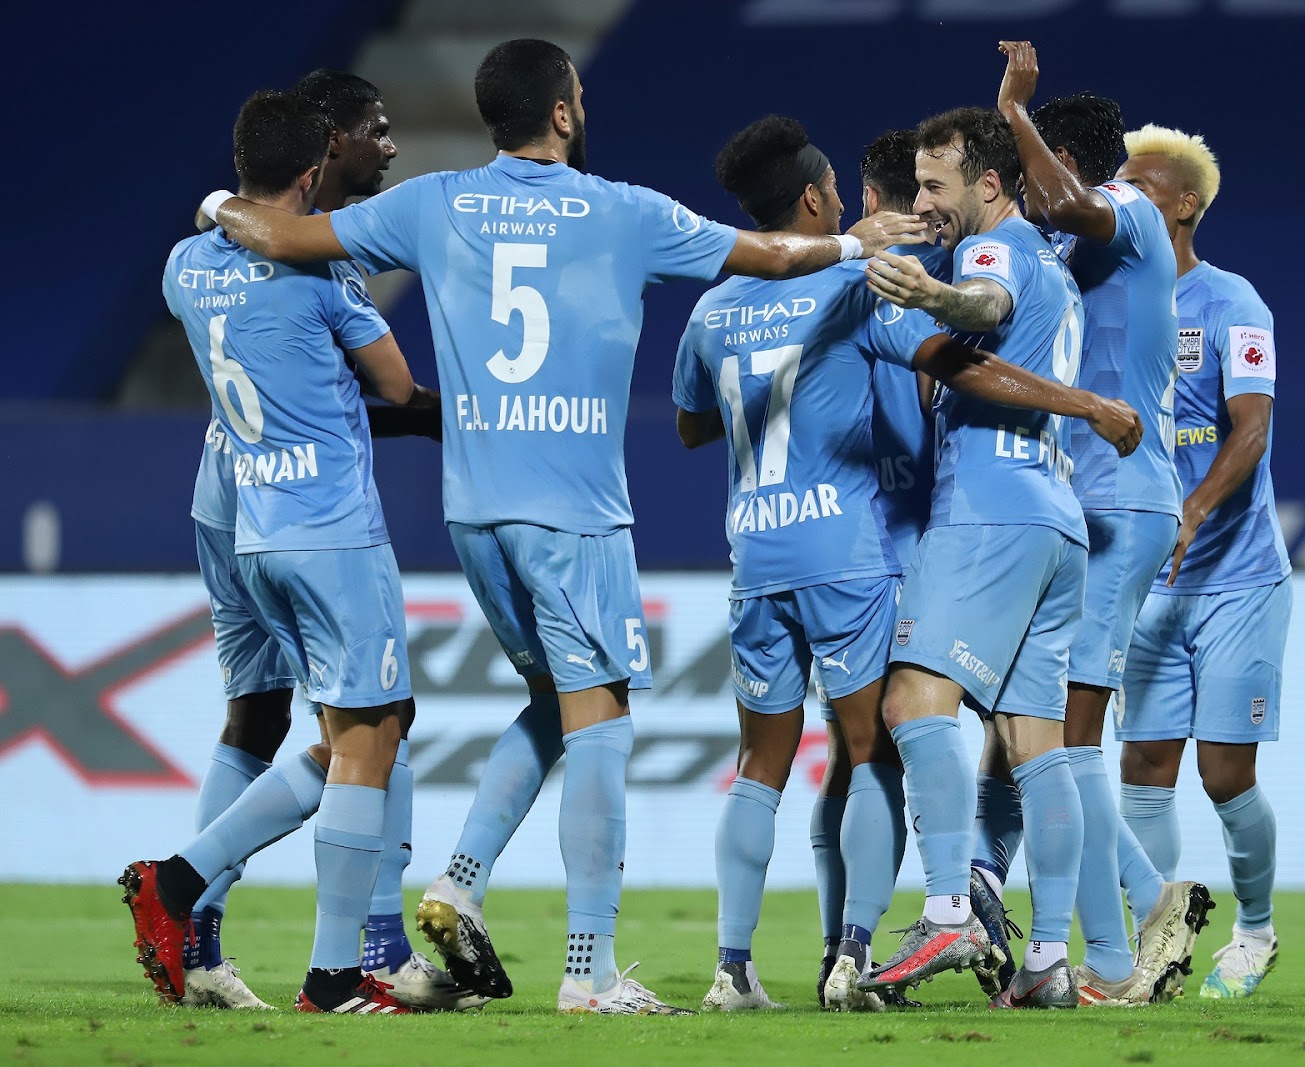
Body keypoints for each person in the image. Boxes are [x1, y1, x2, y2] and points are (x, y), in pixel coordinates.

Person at [197, 38, 926, 1015]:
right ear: (565, 113)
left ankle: (460, 876)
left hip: (474, 511)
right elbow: (767, 254)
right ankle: (588, 967)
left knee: (551, 697)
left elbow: (284, 239)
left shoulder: (433, 202)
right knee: (604, 721)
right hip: (574, 510)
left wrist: (211, 206)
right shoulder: (619, 209)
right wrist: (854, 246)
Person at [676, 116, 1133, 1013]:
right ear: (815, 198)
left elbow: (694, 423)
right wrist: (1081, 402)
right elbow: (961, 360)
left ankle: (732, 968)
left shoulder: (711, 303)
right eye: (846, 194)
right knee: (899, 743)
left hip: (756, 549)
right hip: (869, 547)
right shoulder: (855, 286)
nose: (880, 206)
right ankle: (905, 940)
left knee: (760, 766)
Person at [125, 90, 438, 1014]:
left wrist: (222, 210)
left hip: (246, 520)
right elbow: (393, 384)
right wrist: (468, 418)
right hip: (330, 527)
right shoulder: (322, 275)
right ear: (314, 170)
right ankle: (336, 968)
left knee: (330, 727)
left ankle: (183, 895)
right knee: (372, 730)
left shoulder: (186, 265)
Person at [853, 106, 1141, 1009]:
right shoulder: (1054, 265)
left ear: (988, 183)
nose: (925, 203)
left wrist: (935, 298)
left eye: (936, 186)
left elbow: (982, 309)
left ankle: (949, 909)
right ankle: (1050, 958)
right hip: (1055, 520)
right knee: (1033, 743)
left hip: (989, 511)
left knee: (913, 698)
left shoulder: (994, 253)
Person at [988, 40, 1213, 1006]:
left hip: (1119, 499)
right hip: (1102, 499)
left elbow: (1071, 201)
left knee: (1065, 740)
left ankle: (1115, 963)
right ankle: (1152, 901)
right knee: (1046, 737)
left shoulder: (1120, 210)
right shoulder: (1079, 264)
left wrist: (1014, 114)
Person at [1112, 124, 1289, 999]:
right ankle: (1159, 941)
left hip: (1238, 578)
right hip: (1145, 580)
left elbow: (1251, 429)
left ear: (1185, 204)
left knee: (1225, 773)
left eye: (1140, 186)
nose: (1122, 197)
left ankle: (1254, 934)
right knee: (1142, 766)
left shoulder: (1233, 303)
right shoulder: (1110, 299)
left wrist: (1191, 507)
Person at [810, 128, 946, 1009]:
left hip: (845, 551)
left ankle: (843, 945)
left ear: (874, 201)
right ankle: (864, 947)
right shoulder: (951, 292)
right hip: (923, 552)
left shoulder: (837, 285)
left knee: (855, 757)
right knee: (908, 756)